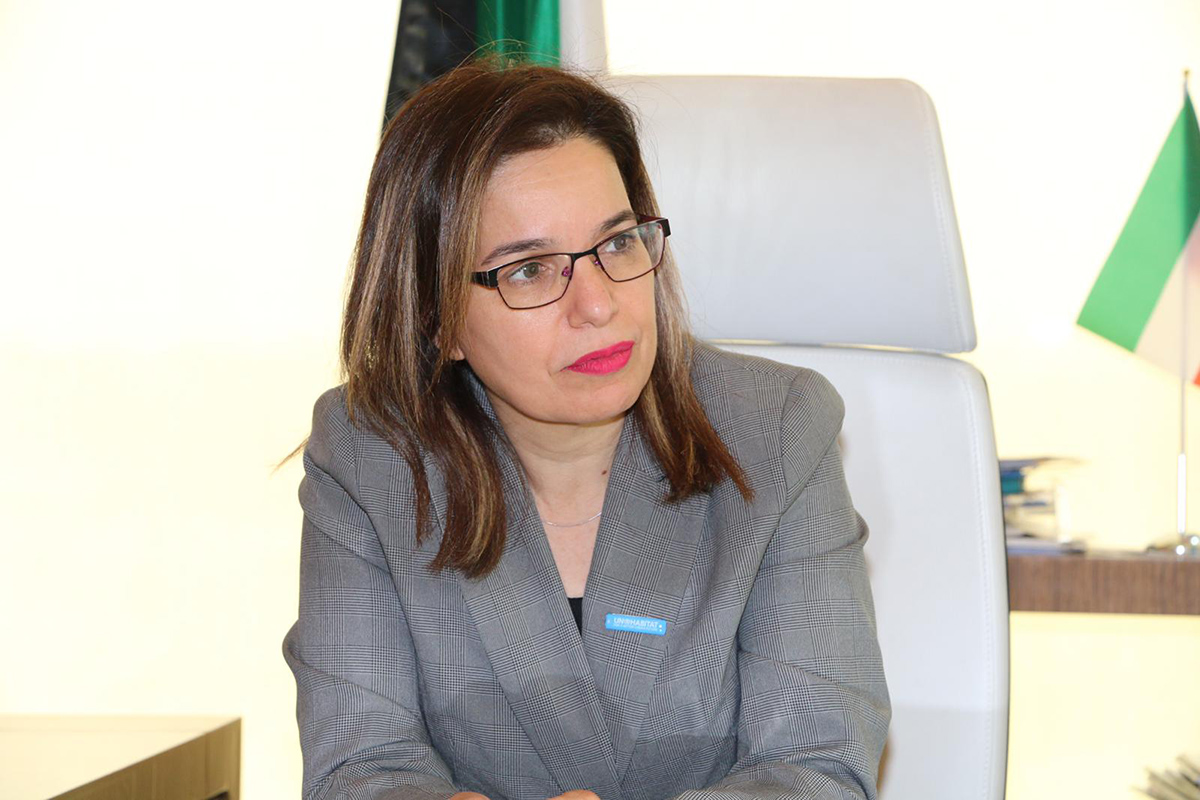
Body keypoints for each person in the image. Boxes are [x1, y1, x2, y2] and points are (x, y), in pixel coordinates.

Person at [282, 56, 890, 800]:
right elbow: (360, 769)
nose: (599, 305)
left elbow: (818, 765)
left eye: (618, 243)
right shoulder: (371, 454)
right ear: (437, 318)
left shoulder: (776, 430)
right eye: (529, 269)